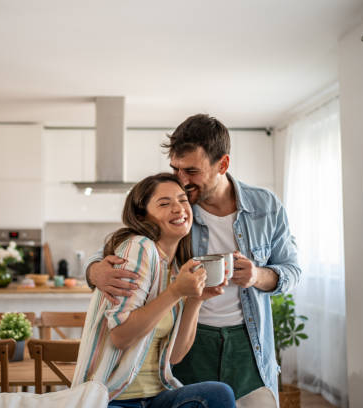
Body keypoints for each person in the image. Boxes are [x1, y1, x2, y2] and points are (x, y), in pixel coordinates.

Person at [85, 114, 301, 406]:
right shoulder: (178, 209)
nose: (182, 181)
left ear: (222, 164)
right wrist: (95, 272)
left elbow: (291, 270)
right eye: (175, 168)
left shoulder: (265, 206)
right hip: (188, 339)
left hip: (247, 341)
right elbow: (112, 253)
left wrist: (256, 276)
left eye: (191, 170)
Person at [72, 173, 236, 408]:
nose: (178, 209)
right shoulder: (140, 248)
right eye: (164, 203)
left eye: (182, 200)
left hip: (157, 397)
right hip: (112, 398)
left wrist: (195, 300)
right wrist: (175, 292)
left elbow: (176, 355)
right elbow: (120, 336)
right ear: (141, 215)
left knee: (218, 394)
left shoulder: (176, 266)